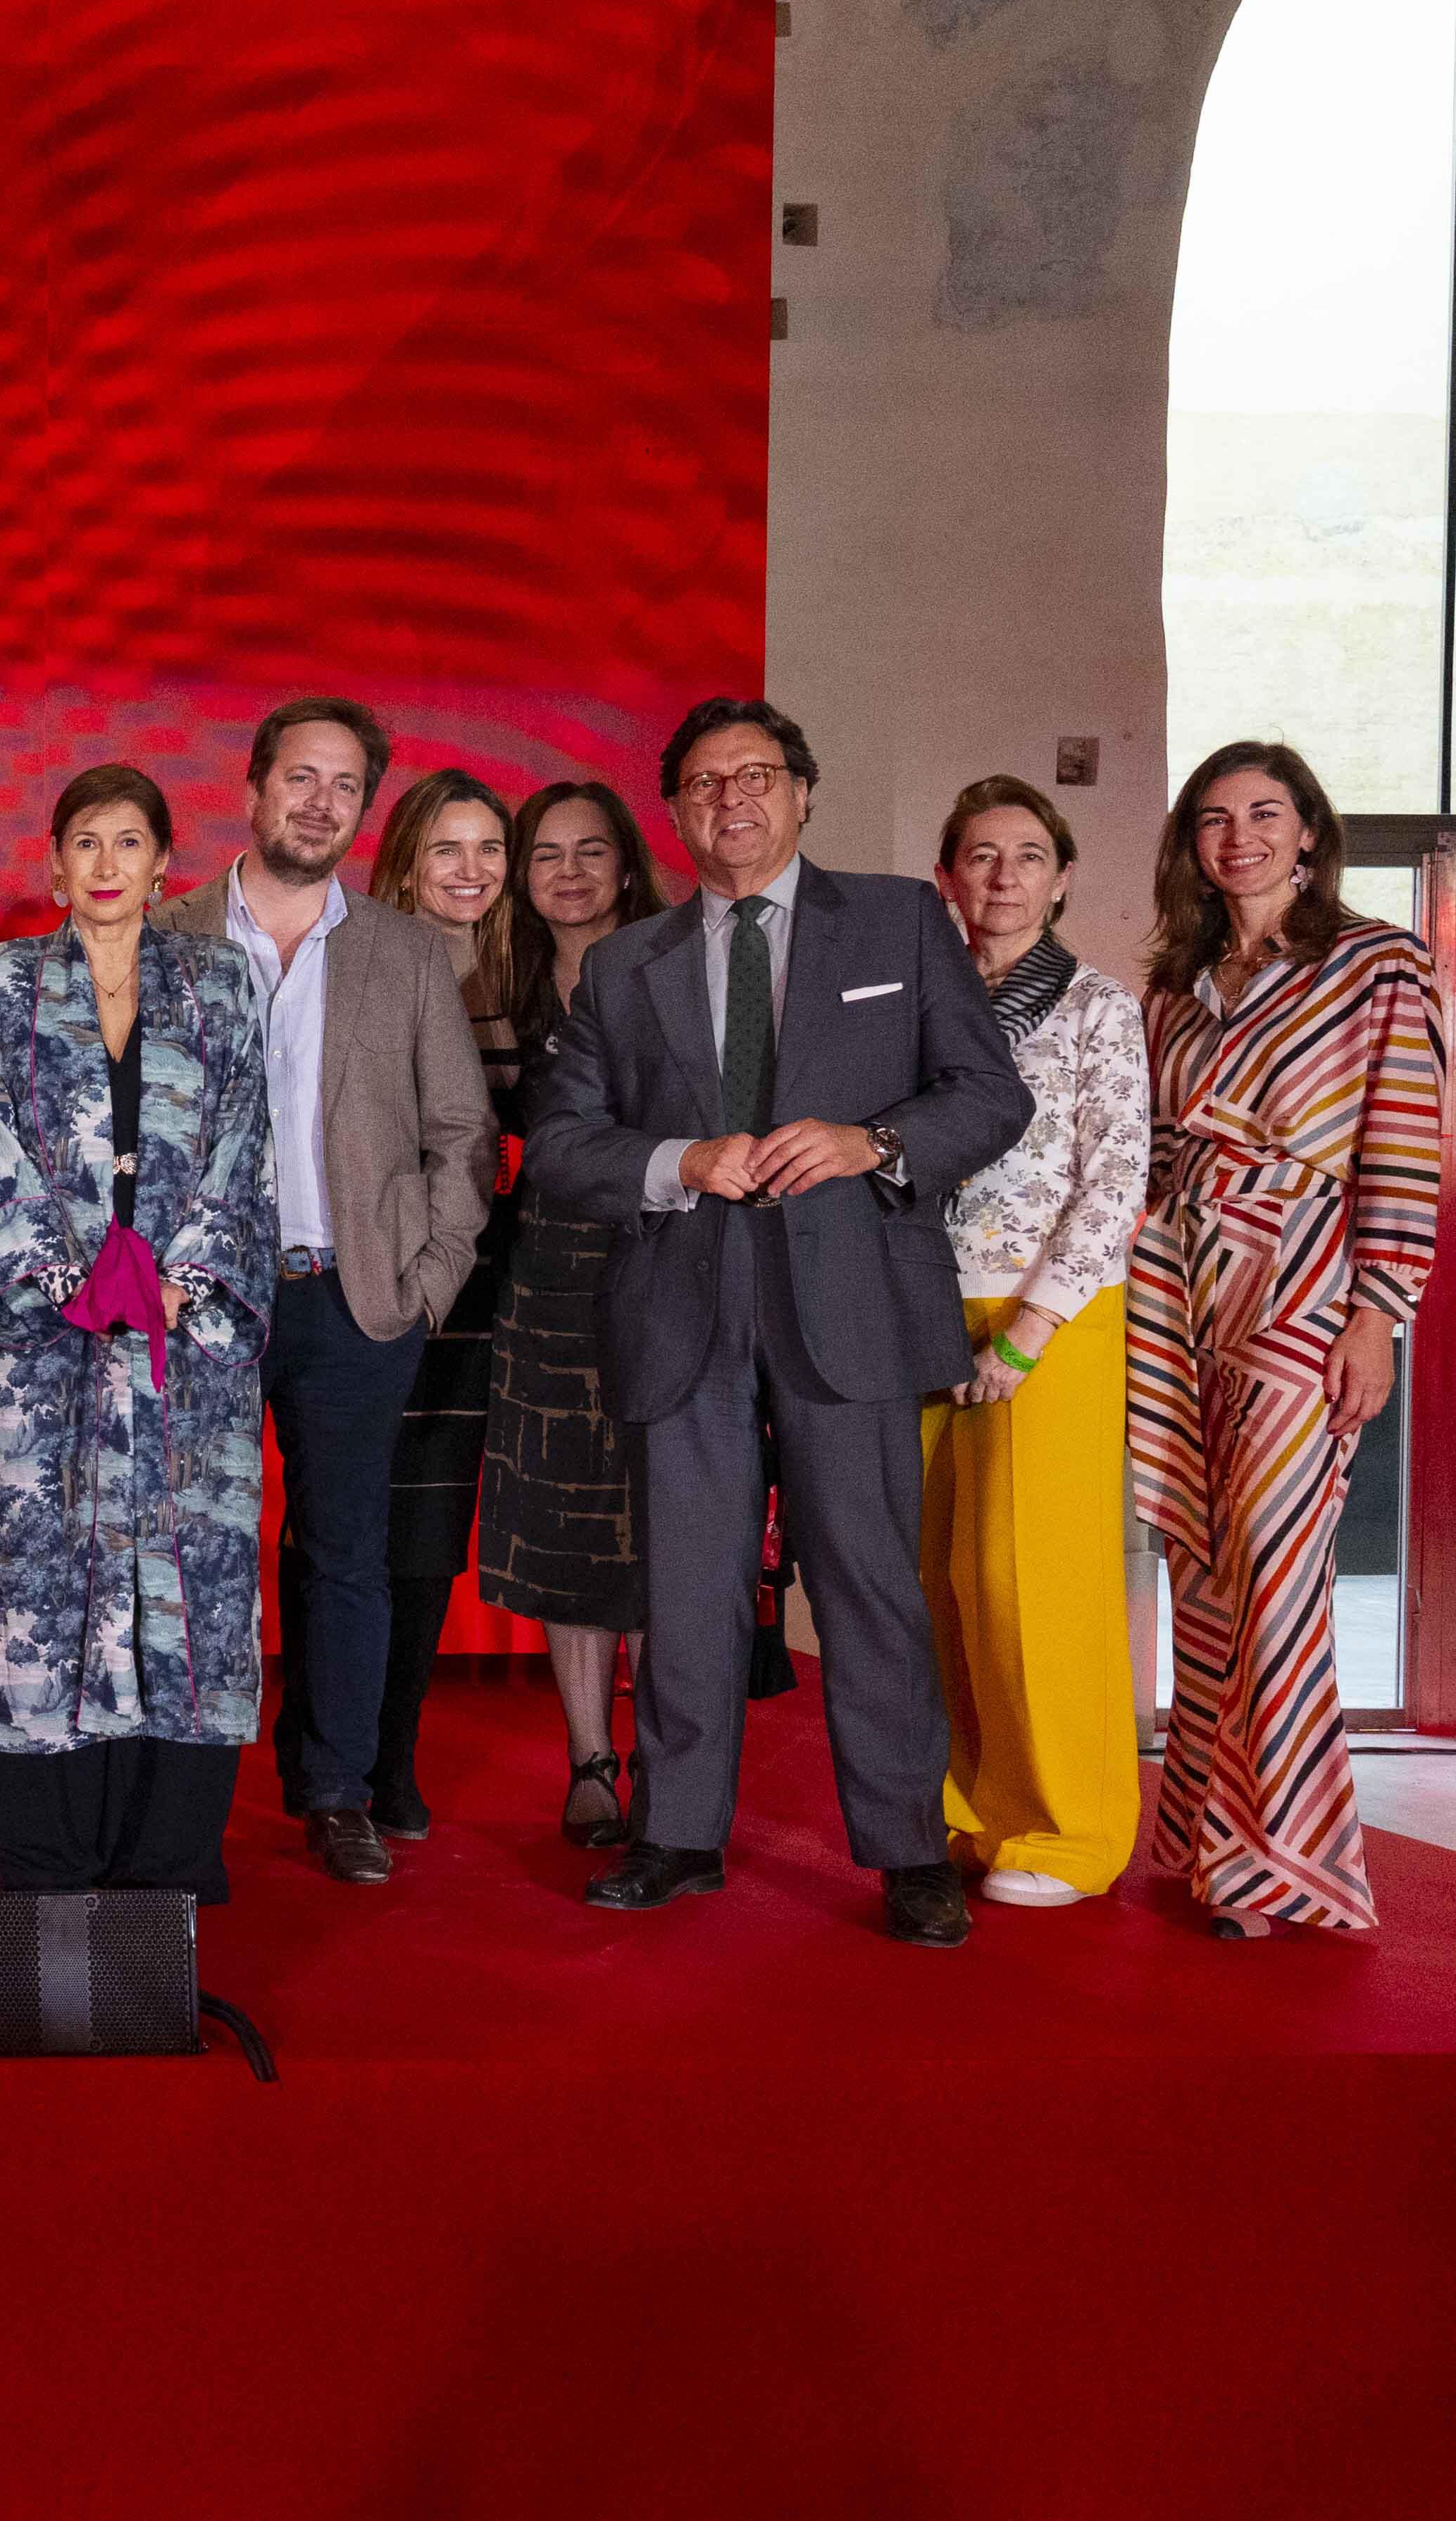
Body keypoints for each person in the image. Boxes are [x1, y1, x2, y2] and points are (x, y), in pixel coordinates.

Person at [528, 698, 1031, 1946]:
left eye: (757, 775)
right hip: (682, 1297)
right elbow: (562, 1146)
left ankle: (908, 1849)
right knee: (688, 1584)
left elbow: (988, 1093)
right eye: (702, 784)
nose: (731, 799)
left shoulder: (902, 921)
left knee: (869, 1584)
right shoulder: (624, 964)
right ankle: (679, 1834)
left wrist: (879, 1142)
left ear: (805, 793)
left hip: (849, 1298)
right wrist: (678, 1161)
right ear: (678, 812)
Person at [149, 698, 492, 1885]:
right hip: (202, 1305)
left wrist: (428, 1282)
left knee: (344, 1551)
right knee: (192, 1551)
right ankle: (182, 1788)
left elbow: (461, 1130)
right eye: (302, 777)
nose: (321, 803)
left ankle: (335, 1789)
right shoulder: (169, 933)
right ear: (252, 787)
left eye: (346, 786)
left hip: (354, 1300)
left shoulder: (401, 951)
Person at [1130, 742, 1442, 1938]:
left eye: (1266, 814)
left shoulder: (1376, 965)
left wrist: (1380, 1312)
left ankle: (1278, 1862)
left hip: (1303, 1281)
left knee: (1275, 1559)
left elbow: (1404, 1146)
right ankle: (1212, 1834)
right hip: (1181, 1285)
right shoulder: (1178, 980)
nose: (1240, 837)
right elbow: (1158, 1151)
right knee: (1202, 1561)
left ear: (1311, 833)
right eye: (1215, 819)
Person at [0, 766, 273, 1896]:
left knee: (192, 1584)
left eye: (127, 842)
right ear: (52, 866)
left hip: (189, 1344)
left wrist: (183, 1279)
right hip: (40, 1345)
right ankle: (45, 1860)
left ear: (162, 865)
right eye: (83, 842)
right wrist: (64, 1275)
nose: (104, 865)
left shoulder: (224, 985)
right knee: (34, 1588)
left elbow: (245, 1143)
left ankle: (169, 1862)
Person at [918, 776, 1149, 1911]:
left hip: (1046, 1316)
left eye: (1026, 855)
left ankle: (1071, 1831)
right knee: (947, 1580)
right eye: (979, 855)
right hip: (920, 1305)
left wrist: (1030, 1331)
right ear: (948, 875)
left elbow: (1117, 1174)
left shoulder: (1098, 1006)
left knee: (1034, 1580)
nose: (1002, 877)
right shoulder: (924, 994)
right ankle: (978, 1815)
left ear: (1061, 878)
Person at [477, 781, 674, 1844]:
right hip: (545, 1276)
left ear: (627, 865)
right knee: (568, 1521)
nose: (568, 872)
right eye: (544, 853)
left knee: (667, 1514)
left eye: (590, 851)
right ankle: (590, 1758)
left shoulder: (673, 971)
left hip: (664, 1263)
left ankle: (672, 1752)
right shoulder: (493, 983)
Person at [340, 764, 524, 1838]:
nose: (472, 871)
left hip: (499, 1287)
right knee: (363, 1522)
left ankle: (384, 1756)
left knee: (428, 1533)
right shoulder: (358, 965)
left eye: (489, 848)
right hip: (396, 1278)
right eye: (447, 848)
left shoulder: (523, 973)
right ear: (405, 855)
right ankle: (345, 1761)